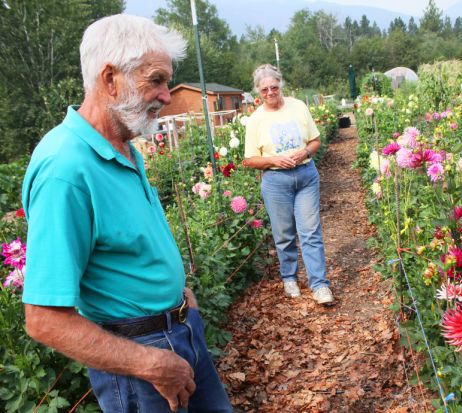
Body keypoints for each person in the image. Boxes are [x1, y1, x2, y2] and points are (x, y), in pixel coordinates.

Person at [21, 15, 232, 413]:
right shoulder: (64, 168)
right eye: (156, 80)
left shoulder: (122, 145)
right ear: (109, 79)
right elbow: (44, 319)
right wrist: (149, 362)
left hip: (179, 332)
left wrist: (181, 304)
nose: (167, 95)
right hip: (140, 362)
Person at [243, 64, 334, 305]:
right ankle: (289, 277)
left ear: (281, 85)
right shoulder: (255, 120)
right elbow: (249, 159)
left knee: (311, 232)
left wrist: (304, 153)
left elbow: (316, 140)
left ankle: (320, 285)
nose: (270, 92)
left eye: (274, 87)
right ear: (258, 92)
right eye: (264, 90)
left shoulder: (298, 107)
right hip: (275, 181)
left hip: (305, 175)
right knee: (283, 234)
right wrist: (273, 159)